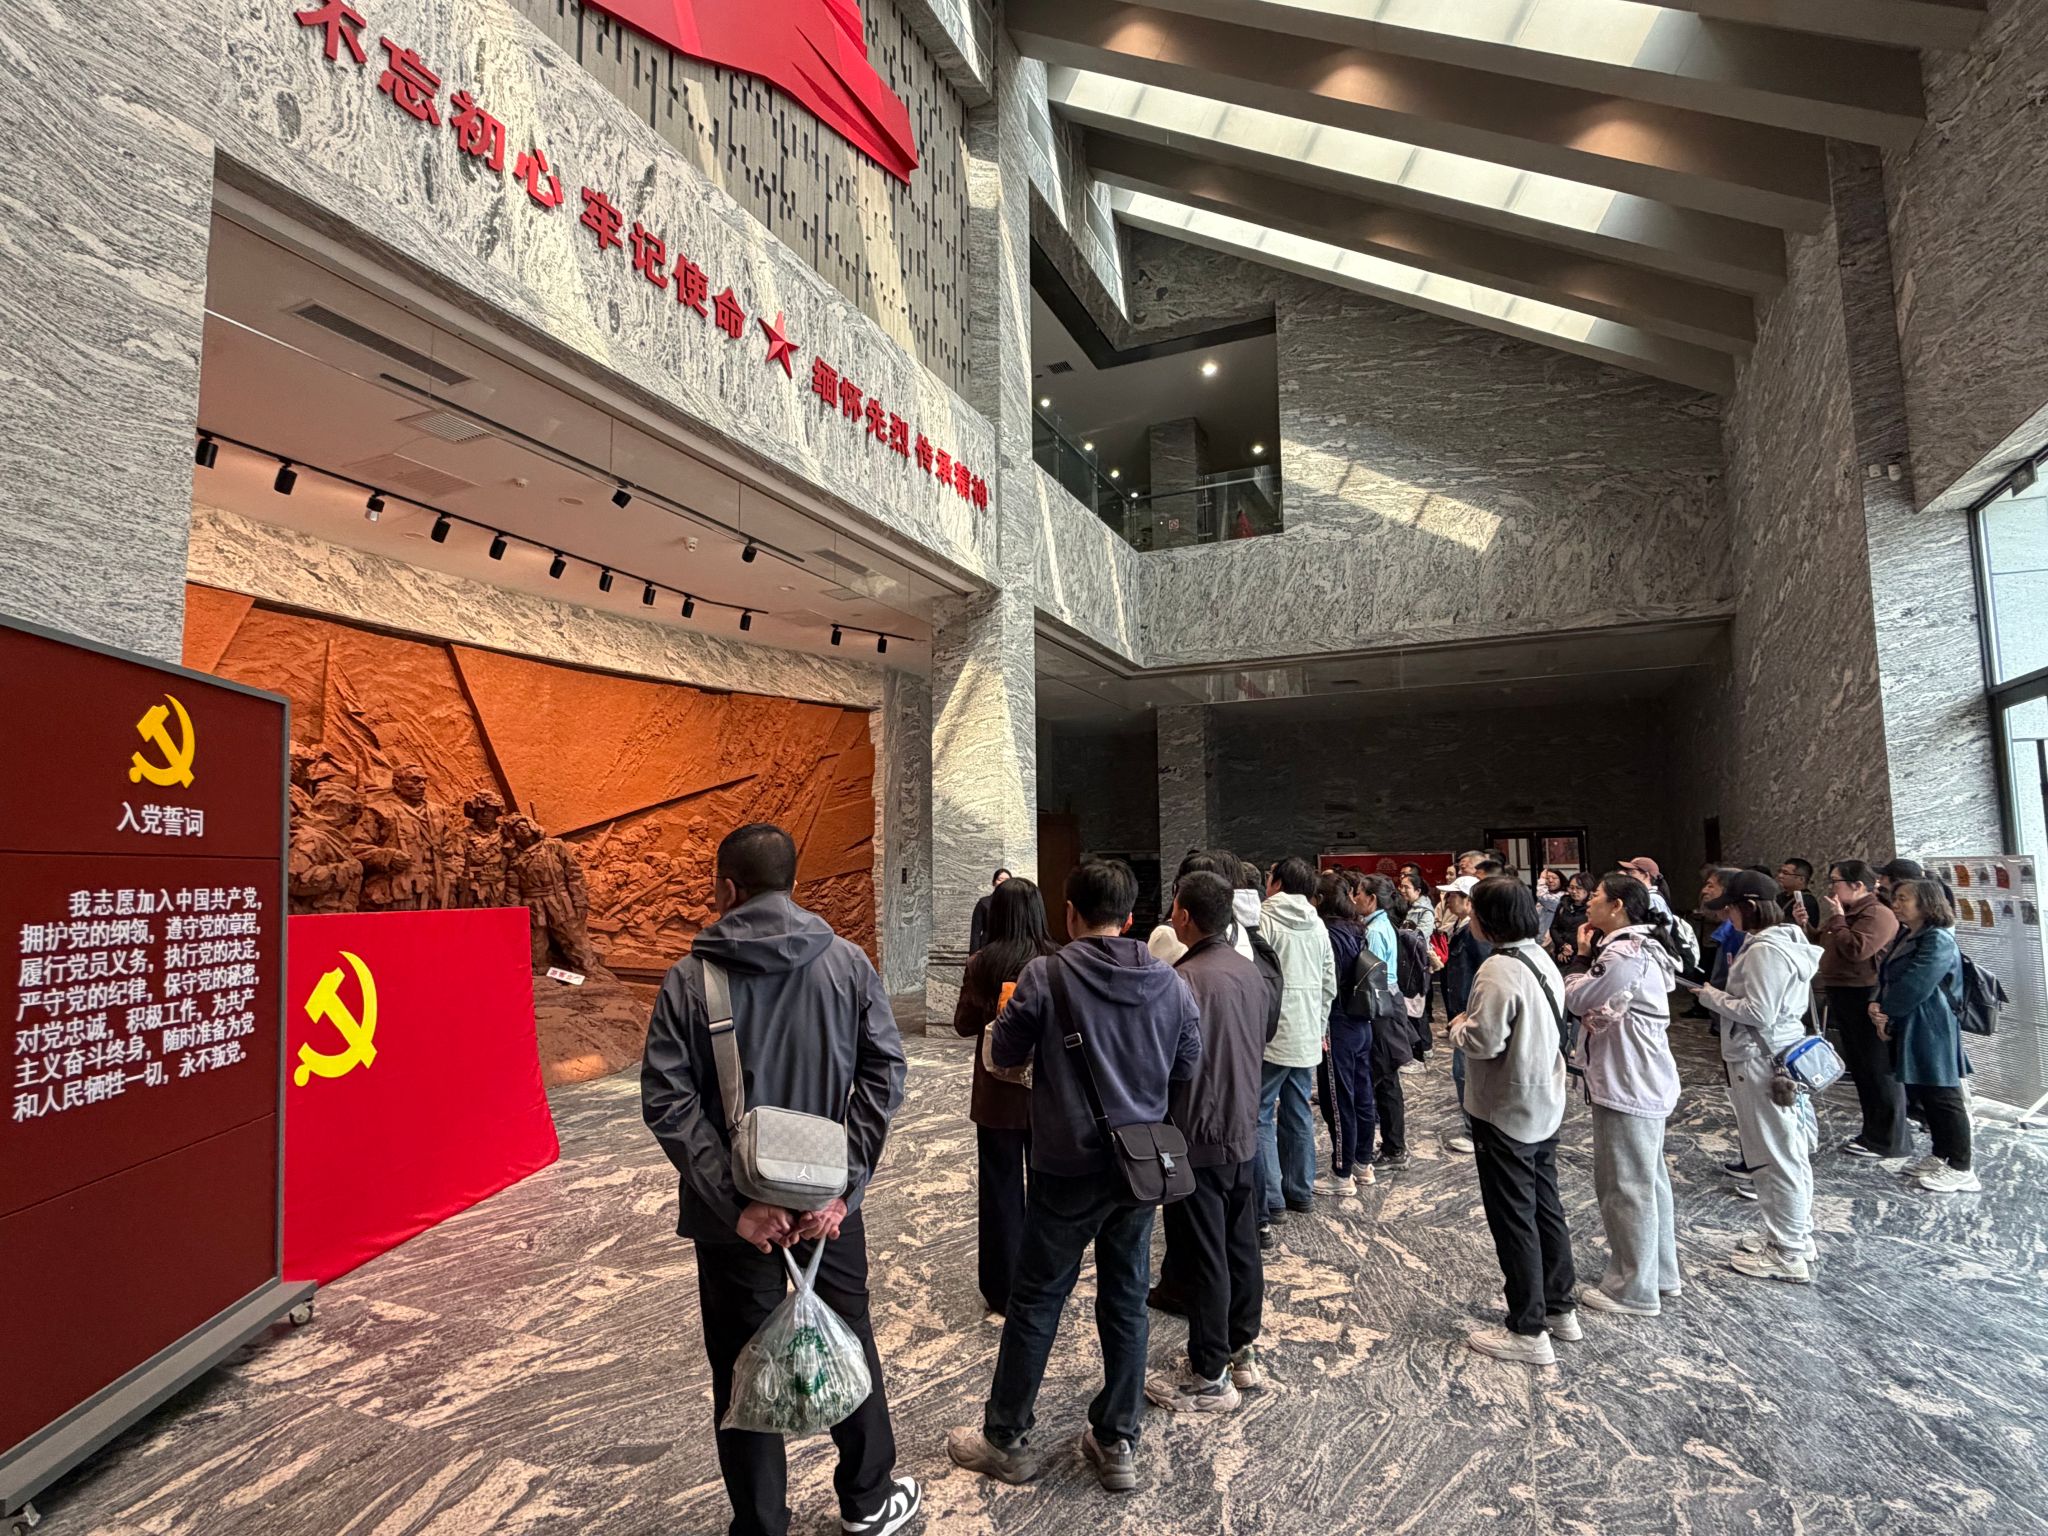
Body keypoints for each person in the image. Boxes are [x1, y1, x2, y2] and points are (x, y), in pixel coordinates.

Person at [641, 823, 918, 1536]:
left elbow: (668, 1100)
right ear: (794, 885)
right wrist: (842, 1188)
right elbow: (885, 1075)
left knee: (743, 1364)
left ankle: (762, 1525)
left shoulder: (690, 980)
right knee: (848, 1336)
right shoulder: (849, 964)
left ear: (727, 889)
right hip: (829, 1208)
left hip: (735, 1223)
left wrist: (736, 1204)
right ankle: (867, 1499)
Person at [947, 859, 1201, 1494]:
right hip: (1138, 1166)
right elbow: (1187, 1064)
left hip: (1065, 1165)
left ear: (1070, 913)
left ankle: (1006, 1439)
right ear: (1132, 917)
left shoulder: (1048, 975)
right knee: (1127, 1297)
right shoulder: (1170, 982)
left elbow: (1004, 1052)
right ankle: (1117, 1440)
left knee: (1037, 1299)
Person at [1146, 871, 1273, 1412]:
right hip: (1243, 1124)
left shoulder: (1182, 980)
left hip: (1196, 1130)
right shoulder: (1250, 971)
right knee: (1240, 1243)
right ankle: (1242, 1350)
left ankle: (1210, 1374)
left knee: (1203, 1252)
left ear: (1183, 916)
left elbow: (1166, 1060)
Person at [1451, 877, 1577, 1365]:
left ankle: (1528, 1329)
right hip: (1543, 1098)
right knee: (1545, 1205)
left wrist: (1458, 1027)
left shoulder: (1498, 968)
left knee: (1513, 1216)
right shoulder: (1539, 956)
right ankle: (1560, 1307)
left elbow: (1485, 1041)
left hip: (1506, 1106)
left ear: (1488, 918)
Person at [1693, 871, 1821, 1285]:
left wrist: (1710, 995)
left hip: (1762, 1060)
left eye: (1730, 908)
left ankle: (1787, 1251)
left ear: (1748, 907)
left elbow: (1758, 1012)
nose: (1727, 917)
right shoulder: (1786, 939)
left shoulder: (1766, 949)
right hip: (1778, 1053)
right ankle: (1795, 1234)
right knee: (1789, 1150)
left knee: (1774, 1156)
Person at [1564, 874, 1683, 1317]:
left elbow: (1577, 998)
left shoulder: (1622, 952)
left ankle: (1632, 1288)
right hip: (1639, 1074)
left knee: (1625, 1185)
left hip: (1627, 1078)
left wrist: (1579, 960)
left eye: (1596, 896)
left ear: (1617, 906)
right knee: (1648, 1180)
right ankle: (1660, 1272)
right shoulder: (1643, 946)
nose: (1589, 902)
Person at [951, 876, 1059, 1317]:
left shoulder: (981, 962)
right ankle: (1044, 1280)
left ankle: (1001, 1287)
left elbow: (963, 1025)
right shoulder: (1055, 960)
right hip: (1047, 1092)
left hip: (996, 1095)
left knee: (999, 1188)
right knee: (1047, 1188)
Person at [1874, 879, 1979, 1193]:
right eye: (1895, 898)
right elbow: (1889, 974)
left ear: (1927, 903)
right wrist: (1878, 1004)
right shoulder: (1909, 932)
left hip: (1931, 1023)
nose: (1896, 904)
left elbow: (1918, 981)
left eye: (1903, 898)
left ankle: (1962, 1167)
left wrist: (1886, 1012)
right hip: (1911, 1019)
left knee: (1943, 1093)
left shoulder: (1937, 937)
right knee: (1926, 1091)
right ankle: (1941, 1153)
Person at [1255, 858, 1338, 1241]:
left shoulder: (1264, 919)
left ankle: (1271, 1199)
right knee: (1299, 1109)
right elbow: (1328, 982)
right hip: (1306, 1031)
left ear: (1277, 883)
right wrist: (1319, 1026)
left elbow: (1257, 979)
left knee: (1260, 1114)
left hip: (1273, 1033)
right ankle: (1300, 1191)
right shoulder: (1318, 924)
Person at [1813, 859, 1906, 1159]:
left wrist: (1839, 919)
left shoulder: (1877, 913)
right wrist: (1809, 925)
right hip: (1844, 991)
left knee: (1876, 1066)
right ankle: (1872, 1133)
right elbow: (1827, 943)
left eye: (1835, 881)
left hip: (1864, 994)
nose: (1831, 887)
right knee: (1862, 1066)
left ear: (1857, 885)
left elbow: (1857, 949)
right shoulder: (1849, 911)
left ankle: (1888, 1139)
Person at [1311, 873, 1375, 1194]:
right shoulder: (1357, 928)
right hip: (1361, 1020)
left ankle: (1341, 1173)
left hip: (1338, 1024)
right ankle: (1363, 1162)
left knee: (1337, 1100)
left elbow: (1329, 985)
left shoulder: (1327, 933)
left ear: (1320, 900)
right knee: (1362, 1095)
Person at [1355, 874, 1411, 1166]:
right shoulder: (1381, 924)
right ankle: (1393, 1144)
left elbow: (1370, 978)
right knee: (1386, 1078)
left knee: (1386, 1079)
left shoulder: (1375, 931)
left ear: (1372, 898)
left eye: (1358, 893)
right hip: (1389, 1002)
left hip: (1382, 1008)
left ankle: (1394, 1147)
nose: (1354, 899)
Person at [1435, 874, 1490, 1156]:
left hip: (1470, 1013)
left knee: (1465, 1073)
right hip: (1461, 1012)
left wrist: (1471, 1010)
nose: (1447, 900)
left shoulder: (1475, 934)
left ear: (1469, 901)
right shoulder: (1461, 927)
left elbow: (1484, 971)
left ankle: (1474, 1132)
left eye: (1453, 896)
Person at [1550, 872, 1593, 968]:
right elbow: (1554, 928)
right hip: (1561, 954)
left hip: (1583, 955)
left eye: (1578, 888)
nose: (1574, 891)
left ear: (1588, 889)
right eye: (1571, 887)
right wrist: (1563, 946)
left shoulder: (1592, 908)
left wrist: (1571, 950)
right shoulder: (1563, 905)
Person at [969, 868, 1010, 954]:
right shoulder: (984, 903)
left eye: (1007, 880)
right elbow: (975, 933)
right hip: (987, 948)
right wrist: (973, 955)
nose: (1003, 882)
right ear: (993, 882)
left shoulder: (1016, 903)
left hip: (1009, 950)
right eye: (1000, 879)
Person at [1397, 870, 1437, 941]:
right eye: (1401, 886)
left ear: (1418, 891)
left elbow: (1420, 937)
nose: (1402, 890)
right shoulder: (1405, 905)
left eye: (1406, 887)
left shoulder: (1426, 912)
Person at [1535, 867, 1566, 944]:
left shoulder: (1563, 896)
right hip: (1539, 938)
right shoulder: (1544, 896)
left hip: (1553, 939)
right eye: (1547, 878)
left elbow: (1544, 898)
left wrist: (1542, 880)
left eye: (1554, 878)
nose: (1550, 880)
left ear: (1561, 880)